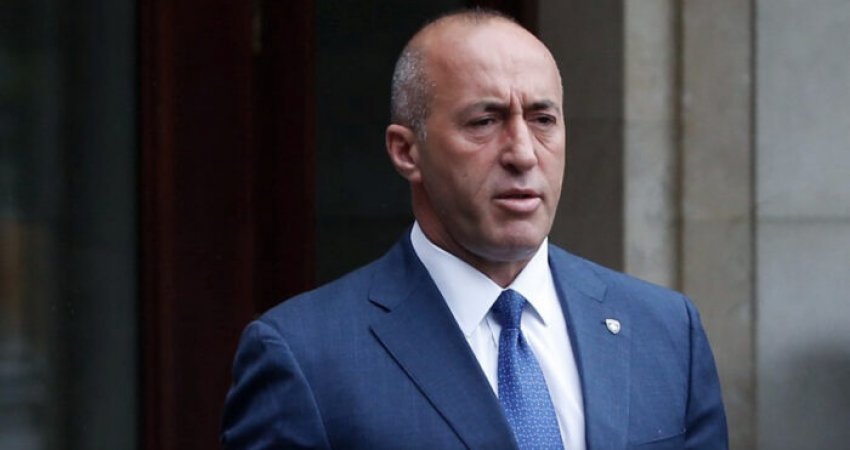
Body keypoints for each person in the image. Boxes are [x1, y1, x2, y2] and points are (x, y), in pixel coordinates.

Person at [221, 9, 728, 449]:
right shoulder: (306, 358)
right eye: (485, 121)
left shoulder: (665, 331)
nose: (523, 153)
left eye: (543, 119)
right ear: (406, 151)